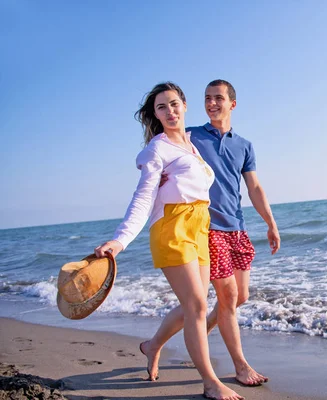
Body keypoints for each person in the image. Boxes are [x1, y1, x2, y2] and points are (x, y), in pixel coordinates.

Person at [94, 82, 243, 400]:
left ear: (185, 106)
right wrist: (120, 240)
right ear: (156, 114)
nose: (170, 110)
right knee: (198, 306)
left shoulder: (192, 145)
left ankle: (152, 346)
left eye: (174, 104)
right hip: (172, 229)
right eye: (162, 107)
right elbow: (143, 197)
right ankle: (210, 382)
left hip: (200, 227)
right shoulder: (157, 149)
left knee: (194, 305)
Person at [139, 79, 280, 387]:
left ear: (232, 103)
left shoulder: (244, 145)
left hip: (236, 226)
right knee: (224, 298)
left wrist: (270, 222)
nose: (212, 103)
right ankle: (240, 366)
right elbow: (161, 155)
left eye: (218, 98)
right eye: (207, 98)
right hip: (205, 227)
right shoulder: (190, 137)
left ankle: (163, 341)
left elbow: (253, 187)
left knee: (236, 297)